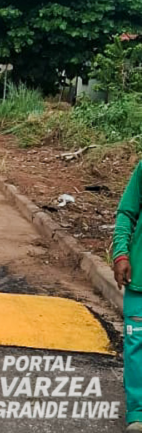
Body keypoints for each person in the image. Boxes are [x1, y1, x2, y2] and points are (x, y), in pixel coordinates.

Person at [114, 163, 142, 431]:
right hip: (140, 279)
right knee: (137, 346)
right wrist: (120, 254)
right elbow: (126, 213)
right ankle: (138, 411)